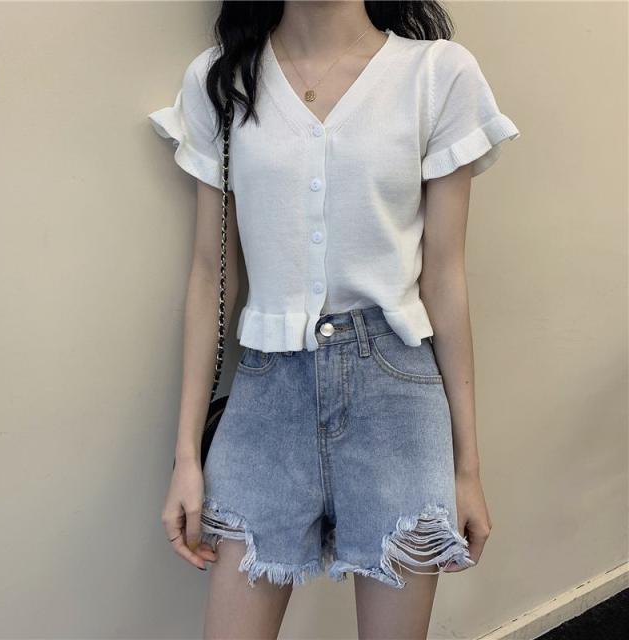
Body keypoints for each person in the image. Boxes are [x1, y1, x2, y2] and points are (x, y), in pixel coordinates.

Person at [148, 1, 520, 638]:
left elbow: (445, 278)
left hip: (396, 401)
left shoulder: (438, 74)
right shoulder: (221, 80)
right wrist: (187, 456)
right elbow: (210, 275)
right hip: (266, 401)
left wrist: (467, 468)